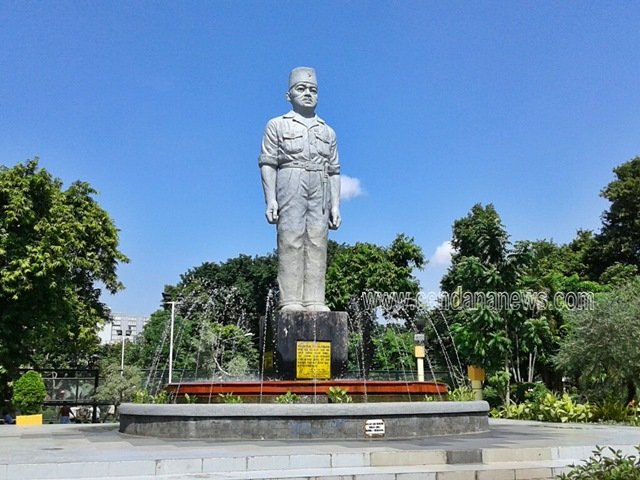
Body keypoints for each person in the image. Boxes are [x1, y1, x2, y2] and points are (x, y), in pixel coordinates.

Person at [259, 67, 341, 311]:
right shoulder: (277, 125)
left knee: (317, 240)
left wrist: (336, 205)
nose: (308, 93)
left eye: (313, 90)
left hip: (321, 182)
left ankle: (315, 299)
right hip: (290, 177)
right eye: (301, 88)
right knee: (291, 238)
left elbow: (334, 170)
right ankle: (291, 300)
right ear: (289, 95)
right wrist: (270, 199)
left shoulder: (328, 131)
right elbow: (268, 162)